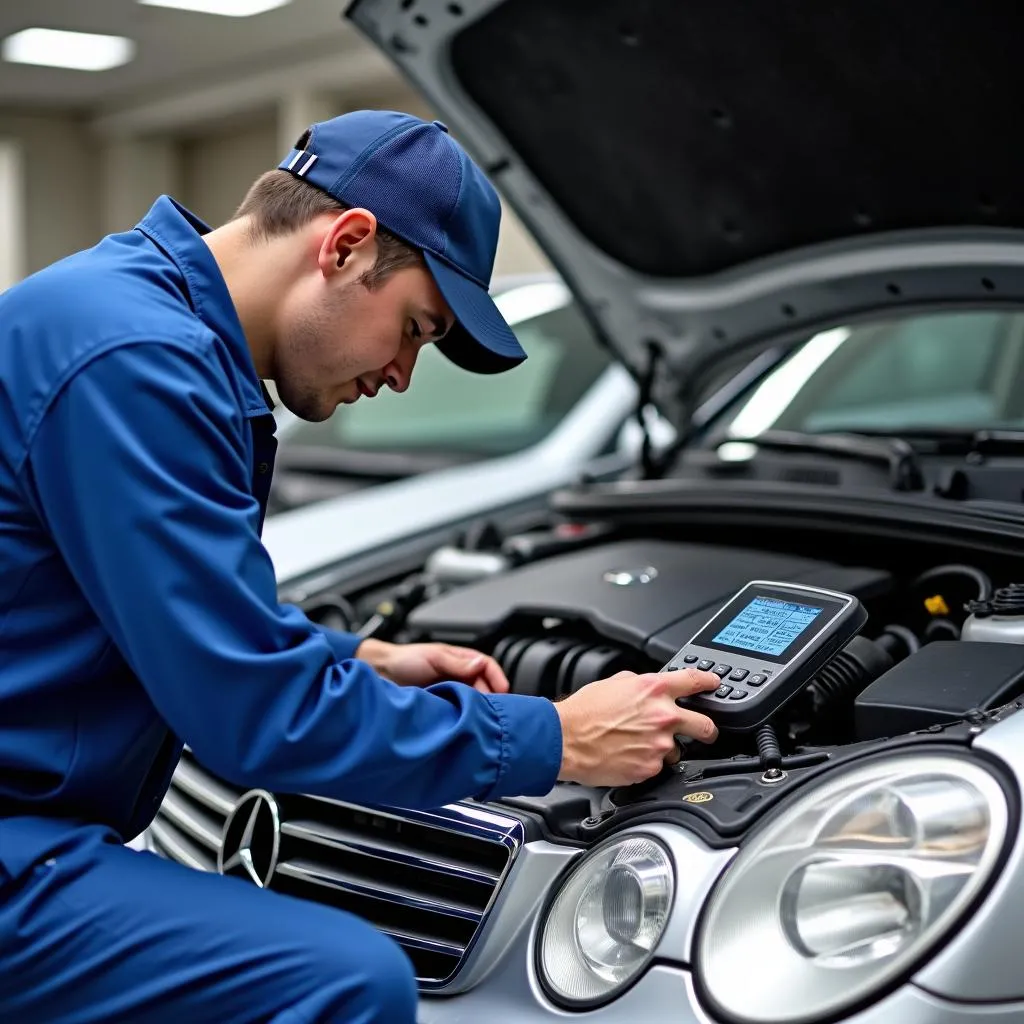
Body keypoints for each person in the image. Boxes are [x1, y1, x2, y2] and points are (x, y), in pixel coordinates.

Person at [0, 110, 720, 1022]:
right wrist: (555, 737)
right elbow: (255, 716)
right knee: (346, 977)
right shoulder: (141, 363)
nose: (403, 375)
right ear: (344, 244)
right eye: (415, 328)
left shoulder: (125, 312)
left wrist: (355, 659)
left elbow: (136, 603)